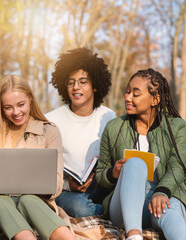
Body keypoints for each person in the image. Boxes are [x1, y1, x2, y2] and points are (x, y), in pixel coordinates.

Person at [95, 68, 186, 240]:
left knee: (173, 216)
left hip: (163, 197)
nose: (127, 98)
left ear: (155, 99)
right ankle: (134, 235)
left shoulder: (176, 126)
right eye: (127, 92)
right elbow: (99, 174)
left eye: (135, 94)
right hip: (124, 206)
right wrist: (113, 173)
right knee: (136, 162)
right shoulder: (114, 127)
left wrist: (162, 191)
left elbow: (178, 166)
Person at [0, 75, 75, 240]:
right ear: (1, 107)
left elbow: (57, 184)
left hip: (35, 204)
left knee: (28, 199)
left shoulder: (49, 131)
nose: (16, 112)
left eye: (21, 105)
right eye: (8, 107)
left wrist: (32, 185)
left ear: (30, 99)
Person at [45, 47, 116, 217]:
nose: (76, 87)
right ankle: (108, 213)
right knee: (80, 208)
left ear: (95, 86)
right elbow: (44, 170)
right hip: (67, 190)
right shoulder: (51, 120)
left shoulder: (108, 116)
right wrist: (69, 185)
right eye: (70, 82)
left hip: (101, 186)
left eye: (83, 82)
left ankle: (111, 209)